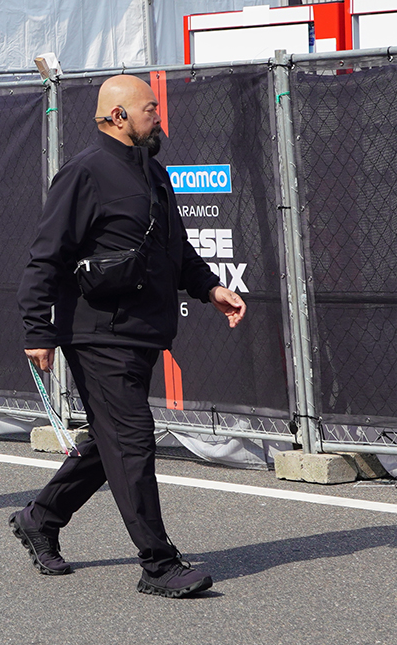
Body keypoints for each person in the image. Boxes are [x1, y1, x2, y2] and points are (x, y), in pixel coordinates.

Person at [13, 74, 247, 598]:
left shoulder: (153, 172)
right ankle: (158, 565)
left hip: (143, 332)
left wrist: (211, 289)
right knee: (133, 441)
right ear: (119, 116)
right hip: (97, 333)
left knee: (111, 441)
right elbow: (45, 256)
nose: (158, 118)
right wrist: (37, 329)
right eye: (150, 110)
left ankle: (40, 518)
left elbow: (177, 249)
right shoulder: (83, 173)